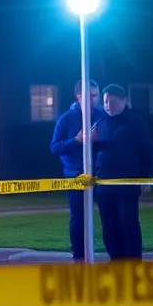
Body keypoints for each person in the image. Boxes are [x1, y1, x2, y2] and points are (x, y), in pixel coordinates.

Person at [91, 84, 153, 261]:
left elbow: (147, 150)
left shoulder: (135, 122)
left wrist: (145, 178)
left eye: (112, 102)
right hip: (104, 186)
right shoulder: (99, 123)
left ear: (123, 101)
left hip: (128, 185)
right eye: (105, 102)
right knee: (109, 225)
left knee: (128, 222)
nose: (108, 106)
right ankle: (116, 259)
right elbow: (92, 151)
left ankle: (134, 260)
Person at [49, 79, 106, 262]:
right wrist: (76, 140)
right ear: (78, 96)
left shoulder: (102, 116)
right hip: (75, 175)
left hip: (101, 175)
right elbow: (55, 147)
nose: (94, 99)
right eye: (90, 96)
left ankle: (116, 255)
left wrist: (99, 142)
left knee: (109, 216)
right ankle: (79, 257)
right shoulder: (66, 119)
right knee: (78, 219)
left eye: (96, 95)